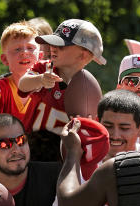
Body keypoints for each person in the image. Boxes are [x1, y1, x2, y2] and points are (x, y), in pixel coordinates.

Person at [41, 90, 140, 206]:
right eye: (108, 125)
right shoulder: (80, 170)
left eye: (124, 127)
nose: (115, 135)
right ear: (97, 122)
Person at [18, 19, 106, 160]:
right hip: (29, 150)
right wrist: (40, 79)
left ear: (83, 55)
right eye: (53, 43)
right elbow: (22, 85)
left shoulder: (87, 88)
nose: (53, 48)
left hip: (61, 158)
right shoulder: (43, 68)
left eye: (62, 46)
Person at [0, 22, 40, 123]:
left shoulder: (49, 86)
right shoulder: (0, 87)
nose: (24, 52)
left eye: (30, 48)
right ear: (4, 59)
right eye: (17, 49)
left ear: (41, 56)